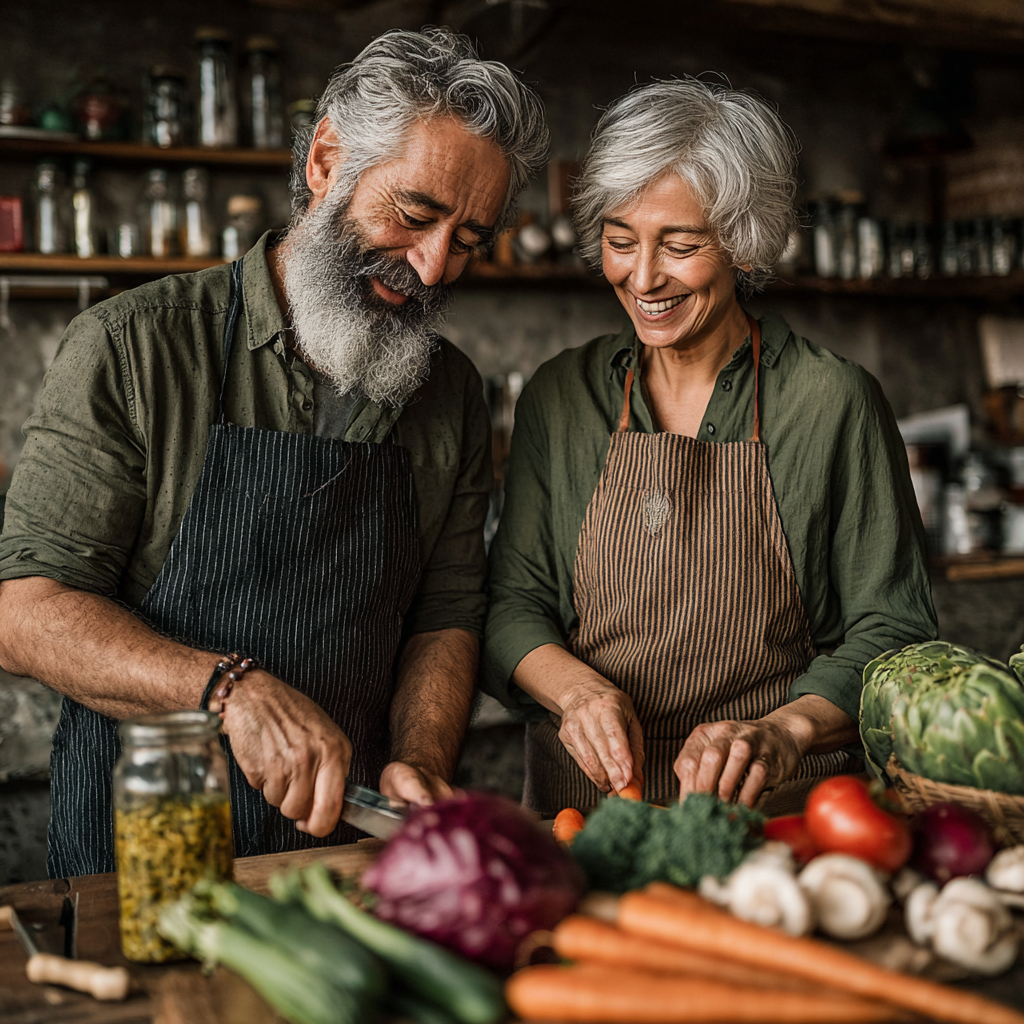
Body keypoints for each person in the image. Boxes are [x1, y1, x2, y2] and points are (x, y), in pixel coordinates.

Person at [0, 27, 548, 877]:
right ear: (327, 159)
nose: (435, 268)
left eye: (469, 240)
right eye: (414, 215)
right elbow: (24, 610)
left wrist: (424, 761)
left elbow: (445, 611)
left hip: (348, 851)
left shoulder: (448, 392)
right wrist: (229, 690)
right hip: (147, 845)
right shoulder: (134, 346)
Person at [483, 79, 937, 815]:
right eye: (620, 241)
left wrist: (785, 731)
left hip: (774, 819)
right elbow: (510, 603)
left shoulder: (830, 402)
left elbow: (895, 631)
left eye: (681, 245)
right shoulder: (561, 395)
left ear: (744, 241)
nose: (643, 277)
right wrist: (579, 692)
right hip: (585, 821)